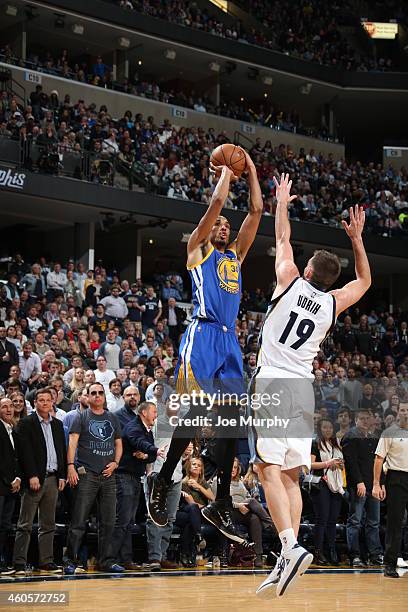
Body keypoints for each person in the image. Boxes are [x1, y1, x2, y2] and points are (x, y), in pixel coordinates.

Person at [254, 176, 371, 599]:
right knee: (290, 473)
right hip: (304, 388)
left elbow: (282, 235)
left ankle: (288, 545)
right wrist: (357, 239)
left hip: (272, 381)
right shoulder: (332, 303)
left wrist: (281, 202)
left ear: (306, 271)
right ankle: (290, 551)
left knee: (265, 468)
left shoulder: (287, 276)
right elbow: (364, 283)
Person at [147, 151, 263, 544]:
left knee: (234, 418)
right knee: (196, 412)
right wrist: (228, 173)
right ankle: (164, 480)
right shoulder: (198, 250)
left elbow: (257, 210)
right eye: (220, 224)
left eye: (227, 226)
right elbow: (216, 204)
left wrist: (250, 170)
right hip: (202, 333)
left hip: (229, 337)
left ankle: (222, 502)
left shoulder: (235, 256)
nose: (224, 226)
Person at [64, 382, 123, 575]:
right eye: (93, 393)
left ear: (104, 396)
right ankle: (70, 561)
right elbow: (72, 444)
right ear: (87, 397)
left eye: (100, 393)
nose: (97, 396)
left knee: (108, 522)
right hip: (87, 474)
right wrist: (71, 466)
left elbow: (118, 444)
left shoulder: (112, 418)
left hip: (108, 476)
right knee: (79, 521)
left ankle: (105, 561)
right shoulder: (80, 417)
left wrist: (115, 463)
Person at [12, 388, 66, 574]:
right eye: (40, 400)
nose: (44, 403)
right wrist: (32, 475)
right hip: (35, 479)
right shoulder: (26, 423)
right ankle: (19, 562)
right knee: (25, 523)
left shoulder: (58, 425)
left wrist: (62, 475)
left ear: (53, 402)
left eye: (47, 400)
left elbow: (61, 452)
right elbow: (24, 453)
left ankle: (46, 561)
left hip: (53, 479)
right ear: (35, 403)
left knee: (48, 523)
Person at [342, 408, 383, 567]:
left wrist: (380, 484)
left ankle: (374, 554)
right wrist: (359, 482)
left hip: (373, 486)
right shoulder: (350, 436)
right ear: (356, 420)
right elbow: (351, 463)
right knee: (355, 521)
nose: (365, 421)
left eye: (368, 418)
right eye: (362, 418)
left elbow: (378, 462)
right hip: (358, 485)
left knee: (374, 522)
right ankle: (355, 556)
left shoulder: (373, 437)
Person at [373, 401, 408, 578]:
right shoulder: (389, 433)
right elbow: (379, 459)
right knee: (395, 523)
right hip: (397, 478)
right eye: (403, 410)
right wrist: (376, 484)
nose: (406, 413)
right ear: (398, 412)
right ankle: (389, 564)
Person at [310, 419, 344, 566]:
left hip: (335, 484)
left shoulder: (337, 444)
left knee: (332, 520)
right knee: (322, 519)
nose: (328, 430)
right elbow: (310, 464)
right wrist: (328, 463)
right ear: (320, 429)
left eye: (330, 427)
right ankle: (318, 552)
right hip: (321, 484)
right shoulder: (315, 444)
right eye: (325, 427)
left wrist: (340, 464)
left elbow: (342, 463)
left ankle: (331, 550)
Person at [177, 457, 214, 567]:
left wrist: (199, 487)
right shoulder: (184, 483)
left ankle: (185, 554)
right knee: (193, 509)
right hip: (187, 510)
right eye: (193, 464)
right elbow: (191, 502)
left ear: (201, 469)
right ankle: (198, 537)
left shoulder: (203, 483)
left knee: (190, 523)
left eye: (199, 465)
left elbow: (212, 497)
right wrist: (205, 507)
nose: (196, 466)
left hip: (199, 514)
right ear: (188, 467)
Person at [0, 398, 21, 574]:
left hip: (10, 487)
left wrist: (18, 478)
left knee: (5, 525)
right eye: (4, 407)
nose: (8, 410)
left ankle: (2, 562)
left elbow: (16, 459)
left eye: (10, 406)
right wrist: (10, 480)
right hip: (3, 485)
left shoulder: (12, 429)